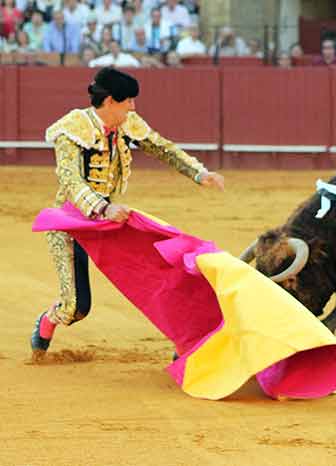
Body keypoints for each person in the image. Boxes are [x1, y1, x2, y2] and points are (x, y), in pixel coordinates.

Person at [31, 68, 225, 359]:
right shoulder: (71, 128)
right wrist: (104, 207)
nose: (133, 107)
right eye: (128, 102)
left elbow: (163, 148)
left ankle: (182, 339)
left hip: (112, 221)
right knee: (75, 307)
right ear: (109, 101)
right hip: (72, 222)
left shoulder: (127, 123)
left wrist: (199, 173)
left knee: (155, 274)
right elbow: (70, 181)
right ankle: (46, 322)